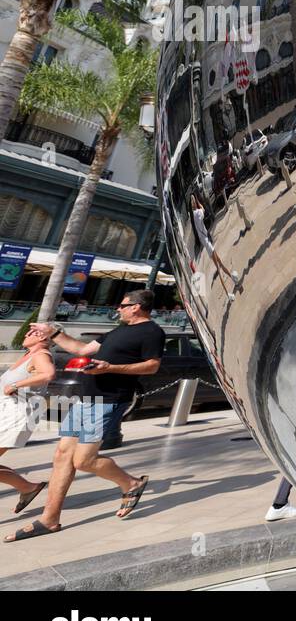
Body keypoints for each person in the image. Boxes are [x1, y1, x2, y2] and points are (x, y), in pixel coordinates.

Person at [6, 289, 162, 541]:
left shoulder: (153, 332)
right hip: (87, 398)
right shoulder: (117, 331)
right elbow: (81, 349)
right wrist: (54, 334)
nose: (118, 309)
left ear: (136, 307)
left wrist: (110, 367)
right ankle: (50, 519)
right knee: (61, 456)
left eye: (122, 305)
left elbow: (153, 365)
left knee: (83, 461)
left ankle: (131, 484)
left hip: (108, 401)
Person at [0, 326, 56, 511]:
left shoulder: (41, 355)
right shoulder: (27, 356)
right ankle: (27, 487)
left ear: (42, 337)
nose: (25, 333)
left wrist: (16, 384)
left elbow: (48, 374)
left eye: (31, 332)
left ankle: (27, 487)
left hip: (18, 414)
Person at [191, 193, 239, 302]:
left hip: (207, 244)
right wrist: (199, 201)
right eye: (195, 202)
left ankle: (233, 278)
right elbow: (203, 209)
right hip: (208, 244)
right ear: (195, 204)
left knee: (221, 263)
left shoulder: (194, 215)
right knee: (219, 268)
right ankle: (228, 294)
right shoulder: (198, 213)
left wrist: (196, 202)